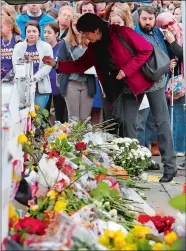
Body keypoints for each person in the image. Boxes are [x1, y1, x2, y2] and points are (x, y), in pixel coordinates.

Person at [43, 13, 177, 182]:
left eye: (86, 33)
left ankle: (170, 167)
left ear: (96, 30)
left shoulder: (122, 32)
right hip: (128, 86)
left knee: (161, 121)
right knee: (128, 123)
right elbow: (80, 65)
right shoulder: (94, 47)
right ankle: (131, 167)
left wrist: (126, 70)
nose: (84, 37)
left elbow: (146, 50)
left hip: (150, 78)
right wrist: (56, 65)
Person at [134, 6, 177, 178]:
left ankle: (170, 167)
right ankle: (136, 165)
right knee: (136, 125)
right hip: (138, 85)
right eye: (144, 18)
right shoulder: (134, 34)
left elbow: (171, 54)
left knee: (163, 125)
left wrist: (171, 41)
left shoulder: (160, 33)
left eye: (150, 19)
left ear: (155, 19)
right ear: (139, 18)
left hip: (158, 84)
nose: (147, 22)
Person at [156, 12, 185, 164]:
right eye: (164, 26)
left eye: (170, 24)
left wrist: (173, 42)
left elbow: (183, 55)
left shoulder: (182, 35)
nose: (169, 28)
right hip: (177, 86)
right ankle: (178, 150)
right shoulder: (164, 40)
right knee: (178, 117)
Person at [57, 14, 96, 120]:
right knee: (73, 118)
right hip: (72, 83)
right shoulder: (65, 43)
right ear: (71, 26)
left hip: (87, 84)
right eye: (75, 25)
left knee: (85, 119)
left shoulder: (91, 42)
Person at [13, 21, 53, 109]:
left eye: (34, 31)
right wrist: (27, 79)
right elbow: (16, 65)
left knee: (38, 118)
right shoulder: (18, 47)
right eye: (29, 31)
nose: (31, 34)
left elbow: (48, 66)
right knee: (23, 117)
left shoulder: (46, 46)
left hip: (41, 88)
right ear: (25, 33)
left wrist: (35, 78)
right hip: (23, 88)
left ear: (39, 33)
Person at [44, 22, 67, 123]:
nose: (46, 35)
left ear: (56, 34)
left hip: (58, 87)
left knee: (59, 117)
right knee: (44, 115)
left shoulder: (62, 47)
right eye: (44, 32)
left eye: (49, 32)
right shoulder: (42, 47)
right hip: (45, 87)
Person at [1, 15, 22, 83]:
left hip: (13, 81)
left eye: (1, 27)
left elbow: (21, 63)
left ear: (9, 27)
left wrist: (7, 78)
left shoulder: (18, 41)